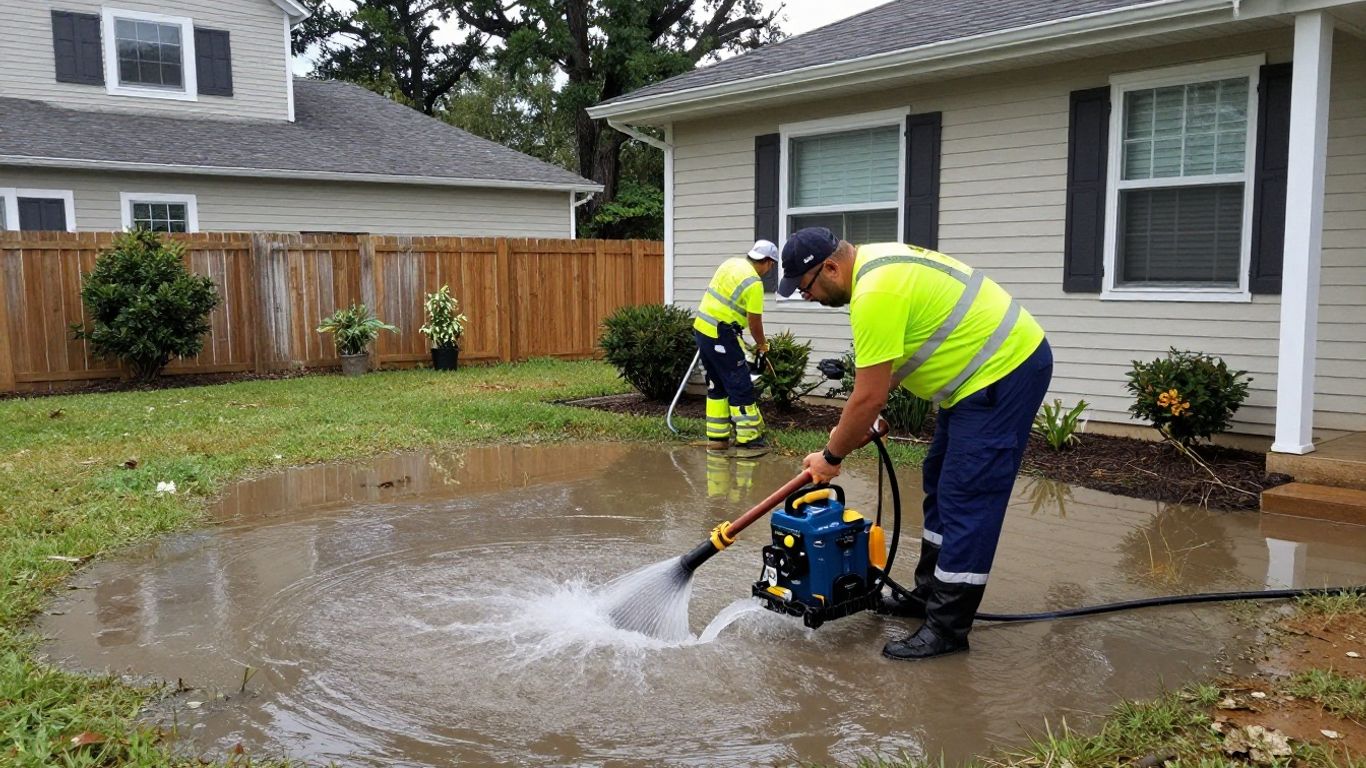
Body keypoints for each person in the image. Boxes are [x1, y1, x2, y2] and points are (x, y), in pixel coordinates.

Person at [777, 227, 1052, 661]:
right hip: (975, 382)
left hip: (1005, 373)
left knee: (967, 497)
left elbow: (869, 394)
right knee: (940, 479)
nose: (806, 297)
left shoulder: (874, 294)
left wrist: (832, 457)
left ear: (830, 267)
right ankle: (927, 595)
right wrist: (868, 422)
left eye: (806, 287)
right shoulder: (877, 266)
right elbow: (898, 362)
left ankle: (947, 628)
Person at [693, 240, 777, 458]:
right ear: (767, 262)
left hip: (702, 330)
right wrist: (762, 345)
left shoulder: (730, 263)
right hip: (721, 333)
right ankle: (750, 439)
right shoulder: (754, 283)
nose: (770, 270)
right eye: (772, 265)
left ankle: (718, 439)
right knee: (739, 383)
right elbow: (755, 322)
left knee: (716, 385)